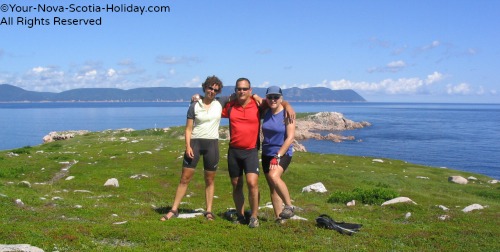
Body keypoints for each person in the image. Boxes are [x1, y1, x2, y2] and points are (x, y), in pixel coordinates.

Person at [222, 78, 295, 228]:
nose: (241, 91)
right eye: (239, 89)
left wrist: (288, 105)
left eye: (245, 89)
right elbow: (214, 104)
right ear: (235, 90)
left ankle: (261, 215)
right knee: (241, 185)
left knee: (256, 182)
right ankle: (265, 216)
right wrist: (199, 98)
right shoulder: (235, 106)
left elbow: (279, 106)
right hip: (245, 151)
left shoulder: (259, 106)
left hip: (257, 152)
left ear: (250, 90)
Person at [161, 75, 229, 221]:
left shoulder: (220, 102)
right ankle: (174, 209)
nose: (212, 91)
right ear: (205, 87)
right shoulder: (194, 105)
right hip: (195, 144)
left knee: (209, 179)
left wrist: (255, 95)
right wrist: (187, 146)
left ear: (218, 92)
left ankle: (209, 211)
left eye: (215, 90)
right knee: (185, 178)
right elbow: (188, 129)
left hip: (212, 145)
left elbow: (239, 95)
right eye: (210, 88)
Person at [260, 86, 295, 222]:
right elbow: (252, 97)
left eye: (276, 97)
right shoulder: (266, 109)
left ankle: (289, 206)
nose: (273, 99)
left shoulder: (287, 114)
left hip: (282, 153)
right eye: (270, 97)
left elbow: (290, 138)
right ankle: (279, 218)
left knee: (274, 176)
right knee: (273, 187)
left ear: (281, 98)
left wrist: (278, 156)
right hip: (266, 153)